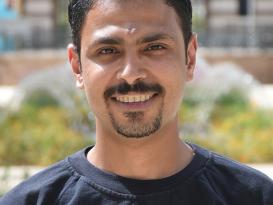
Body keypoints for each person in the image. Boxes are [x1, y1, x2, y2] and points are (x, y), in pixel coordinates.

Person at [1, 0, 273, 204]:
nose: (131, 73)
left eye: (155, 47)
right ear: (77, 67)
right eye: (108, 50)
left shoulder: (255, 197)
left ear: (190, 58)